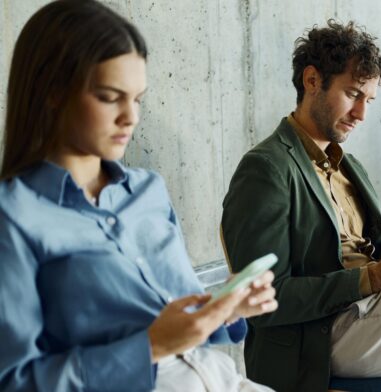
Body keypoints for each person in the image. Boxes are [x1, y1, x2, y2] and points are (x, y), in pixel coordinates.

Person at [0, 1, 277, 391]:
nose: (130, 116)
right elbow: (15, 381)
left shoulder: (148, 191)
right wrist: (150, 345)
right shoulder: (13, 216)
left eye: (138, 98)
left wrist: (224, 309)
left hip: (219, 377)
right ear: (52, 92)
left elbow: (180, 314)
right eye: (110, 97)